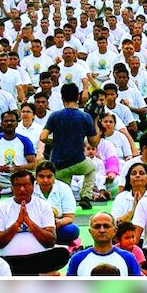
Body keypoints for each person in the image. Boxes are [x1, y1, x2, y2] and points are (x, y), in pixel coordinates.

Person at [0, 168, 71, 275]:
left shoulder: (43, 206)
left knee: (62, 253)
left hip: (38, 259)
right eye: (18, 185)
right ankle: (37, 274)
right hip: (10, 260)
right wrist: (16, 224)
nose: (22, 189)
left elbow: (50, 241)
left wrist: (29, 222)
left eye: (26, 185)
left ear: (33, 186)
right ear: (12, 188)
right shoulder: (1, 207)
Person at [42, 82, 99, 210]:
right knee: (91, 169)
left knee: (63, 189)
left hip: (58, 164)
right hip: (78, 161)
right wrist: (95, 121)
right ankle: (85, 196)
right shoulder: (85, 117)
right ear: (78, 97)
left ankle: (62, 207)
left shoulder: (55, 115)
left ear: (62, 98)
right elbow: (94, 142)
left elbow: (43, 137)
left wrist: (54, 142)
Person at [66, 211, 142, 276]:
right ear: (90, 231)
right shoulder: (77, 259)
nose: (102, 230)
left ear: (115, 231)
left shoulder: (128, 258)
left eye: (106, 226)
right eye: (97, 227)